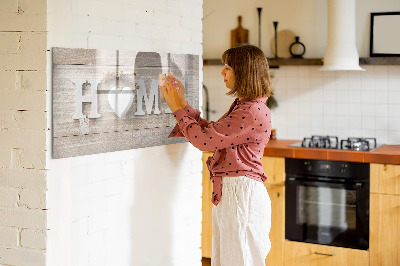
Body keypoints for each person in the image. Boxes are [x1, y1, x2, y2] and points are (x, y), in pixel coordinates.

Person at [161, 44, 273, 266]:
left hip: (241, 195)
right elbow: (212, 133)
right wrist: (182, 104)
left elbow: (204, 141)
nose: (222, 72)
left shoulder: (250, 111)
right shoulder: (246, 106)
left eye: (228, 67)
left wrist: (176, 108)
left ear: (244, 72)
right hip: (236, 193)